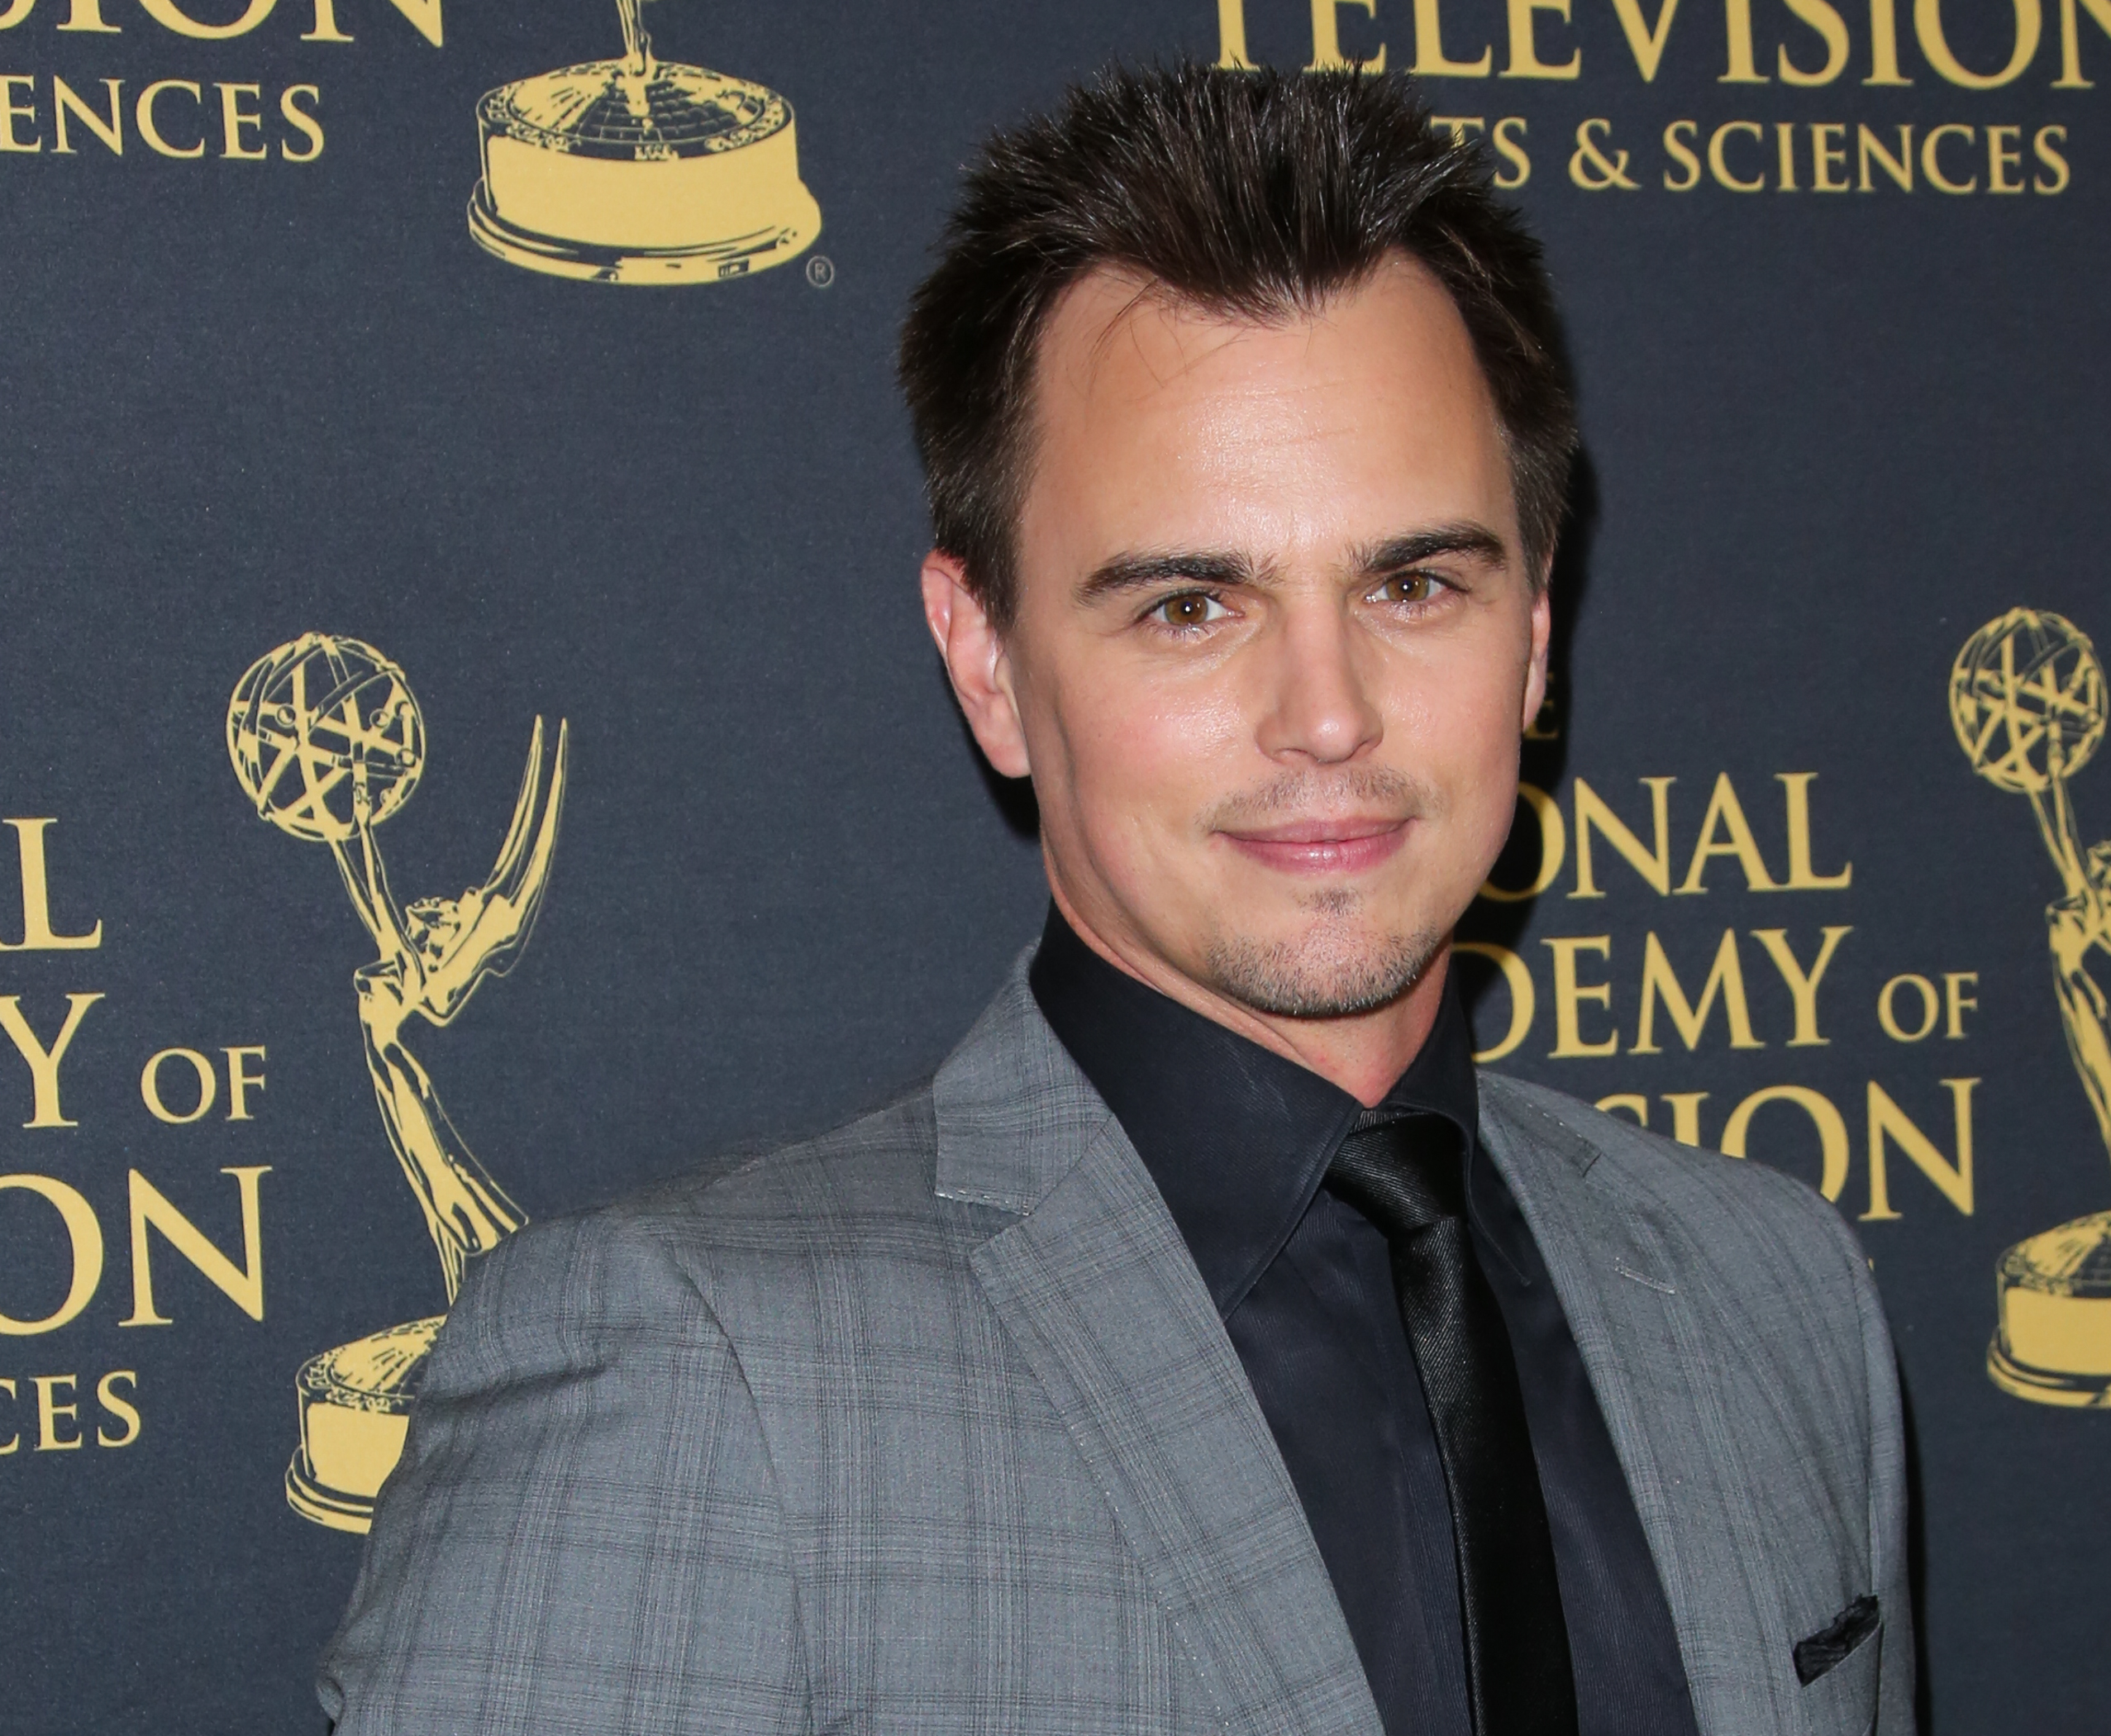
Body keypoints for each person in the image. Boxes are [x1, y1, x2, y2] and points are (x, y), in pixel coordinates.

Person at [318, 64, 1913, 1736]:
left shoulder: (1772, 1288)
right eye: (1190, 608)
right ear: (989, 661)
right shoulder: (700, 1373)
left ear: (1531, 639)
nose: (1327, 713)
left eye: (1417, 582)